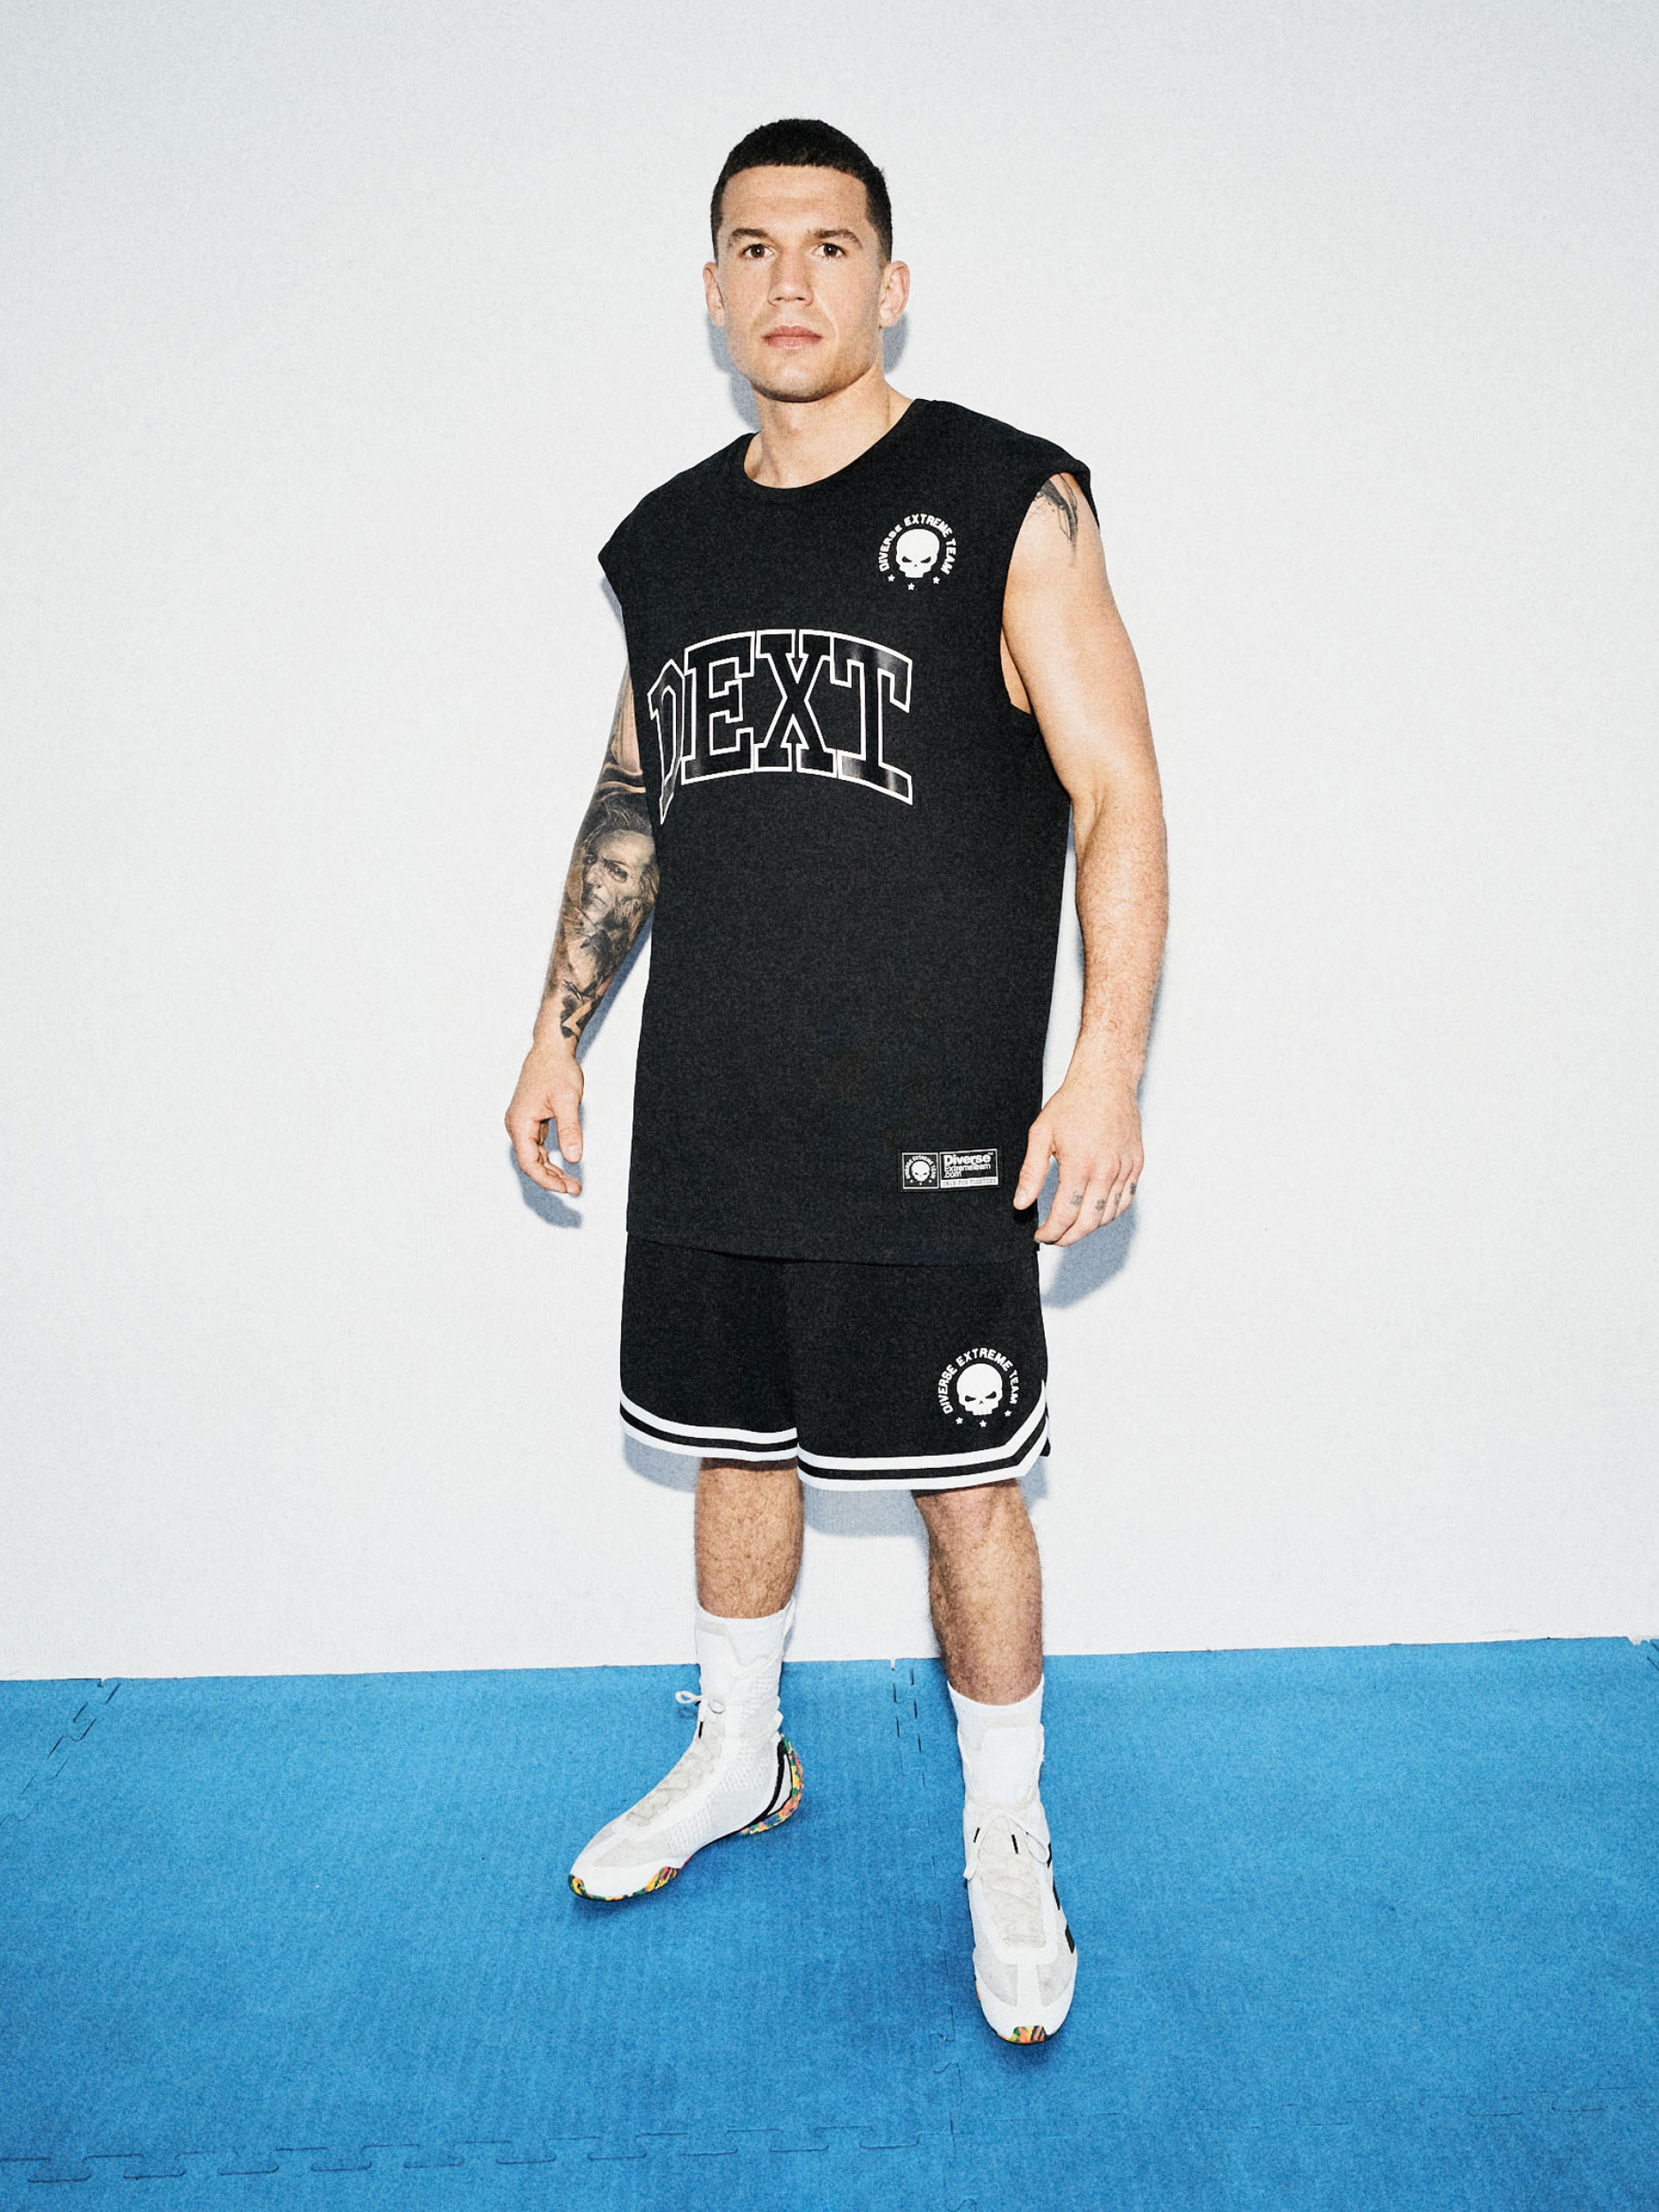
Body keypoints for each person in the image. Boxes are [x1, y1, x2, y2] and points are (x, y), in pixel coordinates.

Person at [505, 117, 1167, 2043]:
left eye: (826, 245)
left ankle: (1003, 1830)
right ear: (710, 290)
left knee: (965, 1486)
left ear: (890, 282)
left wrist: (1103, 1068)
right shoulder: (666, 542)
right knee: (732, 1444)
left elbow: (1119, 792)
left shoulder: (1005, 499)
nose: (788, 281)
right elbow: (634, 796)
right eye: (751, 247)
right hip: (715, 1109)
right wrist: (553, 1026)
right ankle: (738, 1754)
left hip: (936, 1128)